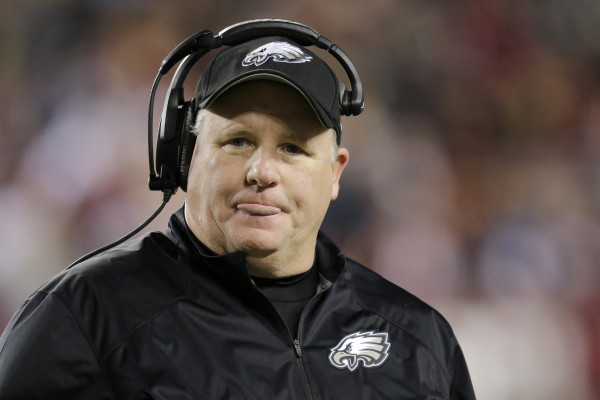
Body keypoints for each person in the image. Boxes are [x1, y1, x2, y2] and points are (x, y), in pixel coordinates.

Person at [0, 21, 476, 399]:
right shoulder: (84, 321)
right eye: (238, 141)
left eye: (292, 148)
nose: (262, 171)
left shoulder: (417, 337)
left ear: (334, 173)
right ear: (184, 159)